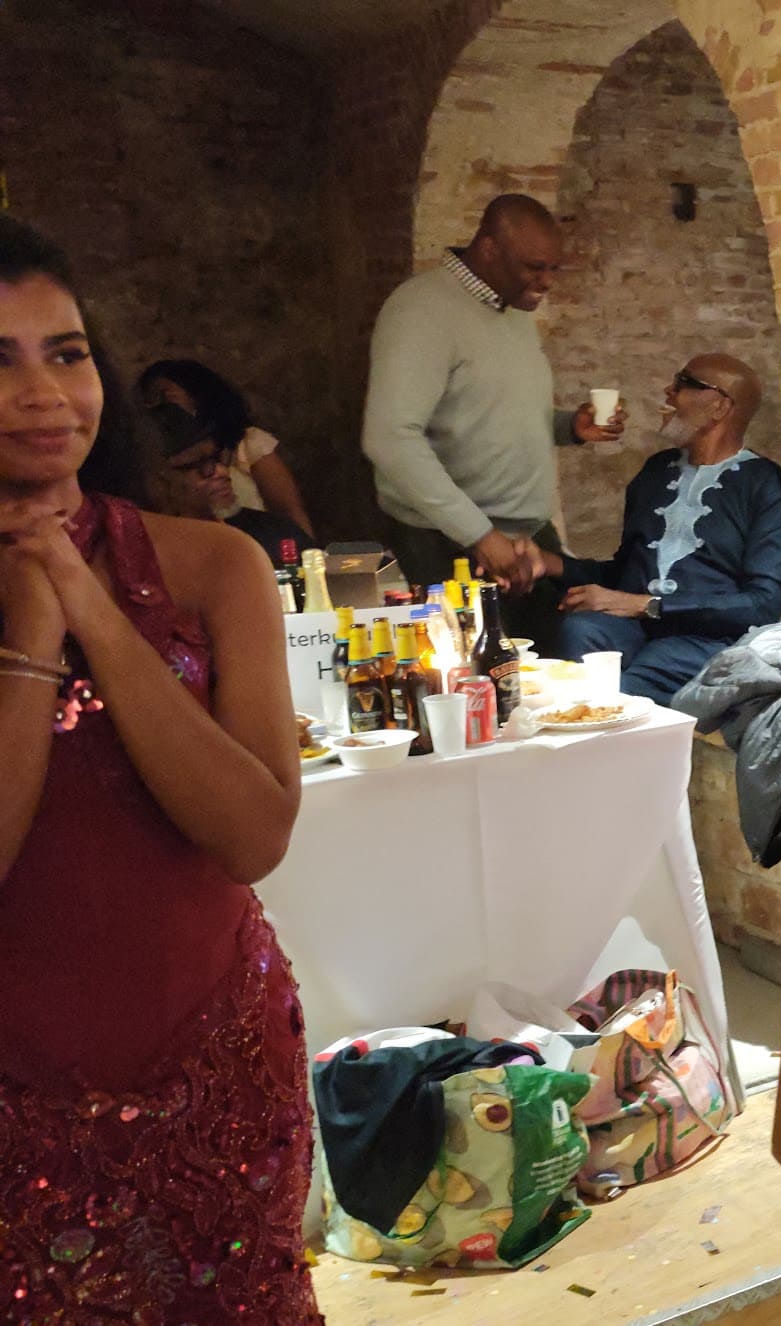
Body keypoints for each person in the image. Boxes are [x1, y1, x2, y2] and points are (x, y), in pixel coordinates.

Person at [0, 217, 319, 1319]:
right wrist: (31, 635)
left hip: (218, 1062)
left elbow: (253, 837)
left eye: (68, 352)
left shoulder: (214, 564)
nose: (46, 394)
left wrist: (88, 601)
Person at [360, 194, 624, 642]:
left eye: (553, 268)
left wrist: (569, 428)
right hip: (448, 543)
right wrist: (480, 535)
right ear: (488, 249)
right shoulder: (421, 310)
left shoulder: (509, 307)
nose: (546, 282)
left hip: (525, 539)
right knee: (473, 676)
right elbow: (389, 437)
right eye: (533, 267)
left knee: (551, 669)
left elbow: (484, 413)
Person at [534, 354, 781, 702]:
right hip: (637, 628)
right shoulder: (656, 471)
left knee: (625, 687)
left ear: (719, 407)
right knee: (580, 630)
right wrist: (553, 565)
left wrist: (649, 605)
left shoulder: (764, 485)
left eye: (684, 383)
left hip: (707, 639)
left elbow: (763, 602)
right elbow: (627, 573)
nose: (668, 391)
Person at [138, 358, 314, 536]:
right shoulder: (161, 535)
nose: (222, 471)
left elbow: (291, 514)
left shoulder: (247, 444)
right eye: (203, 467)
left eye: (165, 396)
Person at [150, 403, 317, 559]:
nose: (222, 472)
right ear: (161, 481)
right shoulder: (156, 558)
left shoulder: (272, 534)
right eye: (203, 465)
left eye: (219, 458)